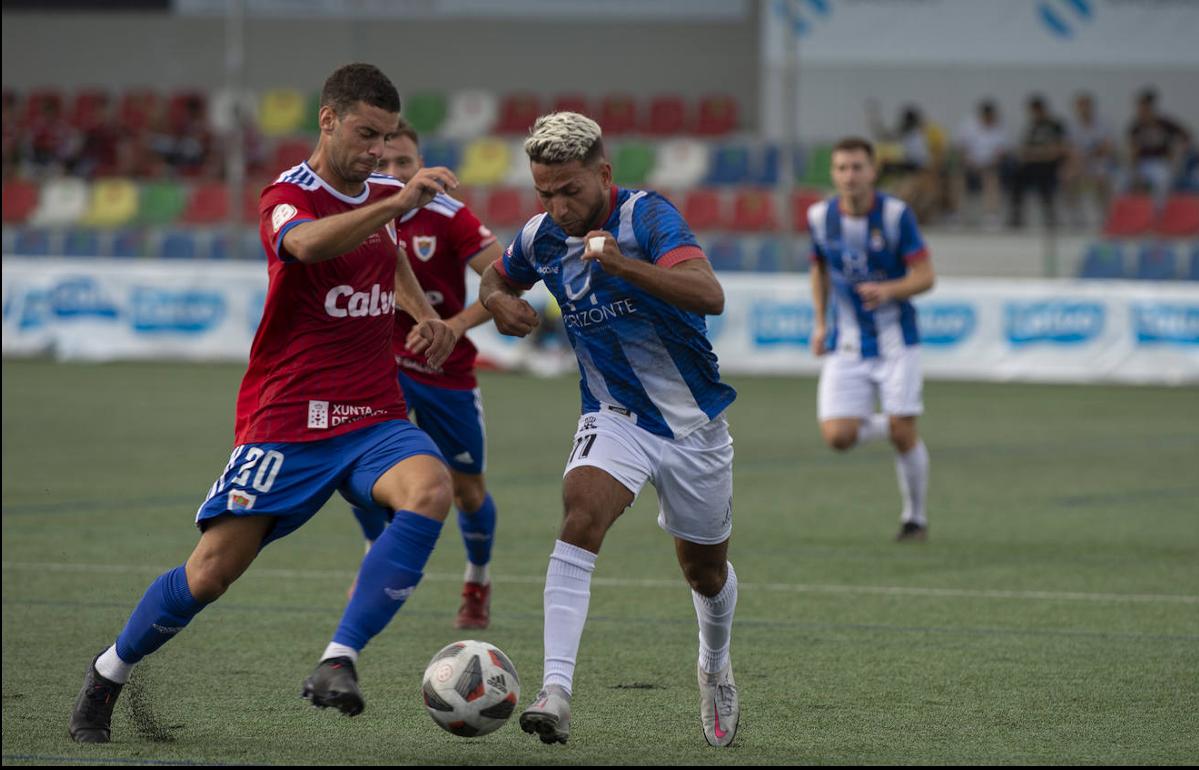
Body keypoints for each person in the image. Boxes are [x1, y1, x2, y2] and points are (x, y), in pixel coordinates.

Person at [68, 63, 461, 743]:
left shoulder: (379, 198)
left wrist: (422, 312)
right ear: (328, 119)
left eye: (389, 138)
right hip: (288, 422)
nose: (377, 151)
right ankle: (108, 672)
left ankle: (338, 660)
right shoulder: (288, 194)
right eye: (367, 134)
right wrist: (394, 203)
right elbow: (305, 246)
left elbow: (387, 250)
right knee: (210, 574)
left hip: (372, 415)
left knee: (430, 490)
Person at [477, 112, 740, 747]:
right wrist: (497, 302)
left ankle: (714, 663)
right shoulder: (542, 237)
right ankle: (555, 691)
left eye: (569, 190)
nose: (557, 206)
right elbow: (495, 274)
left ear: (603, 173)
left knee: (704, 572)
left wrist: (624, 268)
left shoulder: (648, 218)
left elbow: (709, 293)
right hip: (613, 414)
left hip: (692, 427)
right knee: (580, 512)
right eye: (544, 192)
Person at [350, 119, 505, 628]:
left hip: (445, 372)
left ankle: (477, 579)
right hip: (379, 366)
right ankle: (377, 551)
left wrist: (454, 327)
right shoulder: (359, 212)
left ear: (421, 166)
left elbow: (506, 278)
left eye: (404, 163)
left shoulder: (449, 216)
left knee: (467, 490)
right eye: (383, 162)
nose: (392, 171)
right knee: (357, 471)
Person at [808, 137, 936, 542]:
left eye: (858, 167)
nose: (850, 176)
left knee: (903, 433)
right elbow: (820, 270)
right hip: (847, 343)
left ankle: (914, 518)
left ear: (873, 171)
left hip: (898, 341)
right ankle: (901, 425)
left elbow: (926, 276)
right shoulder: (819, 217)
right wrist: (819, 322)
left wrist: (890, 290)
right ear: (833, 173)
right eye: (842, 168)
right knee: (837, 437)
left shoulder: (897, 216)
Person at [1009, 94, 1066, 229]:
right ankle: (1016, 215)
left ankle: (1050, 215)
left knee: (1044, 178)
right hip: (1032, 164)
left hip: (1050, 165)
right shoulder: (1032, 127)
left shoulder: (1055, 125)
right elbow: (1023, 149)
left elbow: (1057, 149)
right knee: (1017, 176)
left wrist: (1036, 153)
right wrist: (1036, 153)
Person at [1125, 88, 1189, 203]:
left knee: (1163, 179)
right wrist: (1134, 170)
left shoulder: (1164, 123)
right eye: (1140, 107)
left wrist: (1177, 154)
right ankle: (1131, 213)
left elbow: (1186, 137)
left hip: (1161, 162)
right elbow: (1132, 150)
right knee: (1123, 180)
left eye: (1144, 107)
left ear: (1151, 108)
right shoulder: (1136, 127)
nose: (1141, 110)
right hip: (1142, 164)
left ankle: (1158, 212)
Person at [952, 99, 1009, 227]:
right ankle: (956, 213)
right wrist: (968, 161)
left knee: (991, 177)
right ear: (982, 115)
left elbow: (1001, 153)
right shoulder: (968, 125)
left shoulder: (999, 128)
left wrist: (988, 164)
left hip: (990, 166)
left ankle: (991, 215)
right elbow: (960, 149)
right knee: (956, 177)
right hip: (970, 164)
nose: (989, 120)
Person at [1063, 92, 1115, 228]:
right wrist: (1079, 160)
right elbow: (1069, 149)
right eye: (1081, 106)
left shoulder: (1103, 124)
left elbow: (1107, 148)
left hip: (1099, 163)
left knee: (1102, 176)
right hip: (1080, 163)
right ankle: (1074, 214)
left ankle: (1105, 215)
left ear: (1091, 107)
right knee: (1068, 176)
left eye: (1086, 106)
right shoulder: (1072, 126)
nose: (1084, 109)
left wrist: (1089, 154)